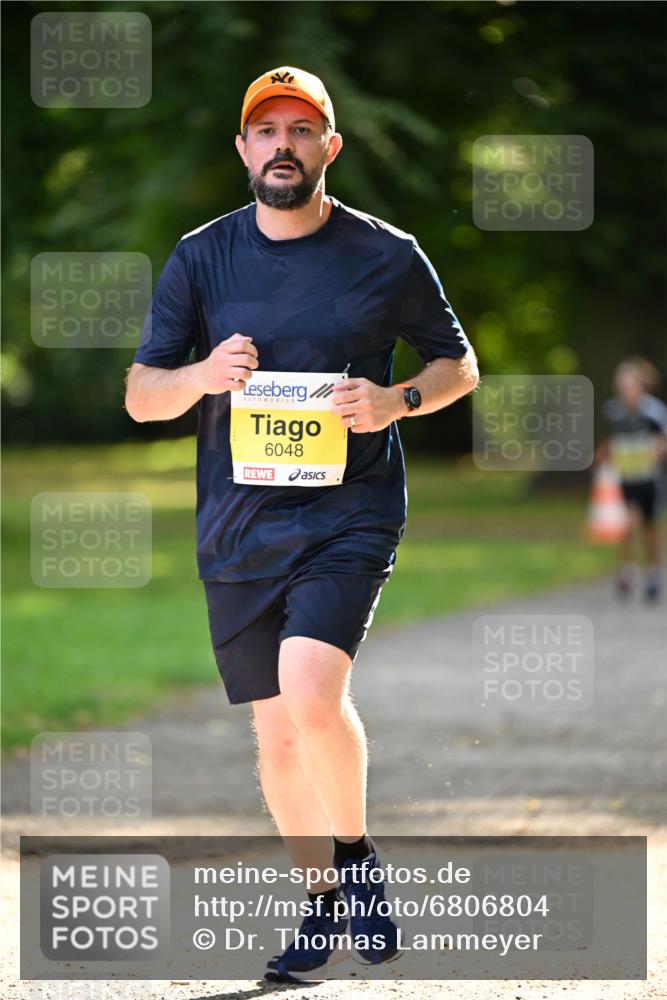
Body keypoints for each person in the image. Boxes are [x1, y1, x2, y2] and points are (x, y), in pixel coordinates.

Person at [124, 65, 479, 982]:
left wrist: (394, 399)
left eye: (300, 129)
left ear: (330, 146)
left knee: (312, 692)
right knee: (277, 733)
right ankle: (320, 904)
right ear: (243, 149)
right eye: (266, 130)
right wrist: (201, 375)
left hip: (348, 511)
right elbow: (140, 395)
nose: (283, 145)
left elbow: (457, 366)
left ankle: (354, 861)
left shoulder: (386, 253)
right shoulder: (201, 257)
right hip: (239, 526)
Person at [595, 357, 667, 603]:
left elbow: (662, 443)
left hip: (649, 479)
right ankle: (627, 570)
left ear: (641, 385)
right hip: (625, 479)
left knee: (649, 527)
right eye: (621, 384)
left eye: (629, 383)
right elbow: (609, 443)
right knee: (626, 523)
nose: (625, 388)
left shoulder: (654, 413)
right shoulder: (613, 412)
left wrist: (655, 451)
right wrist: (604, 456)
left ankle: (654, 571)